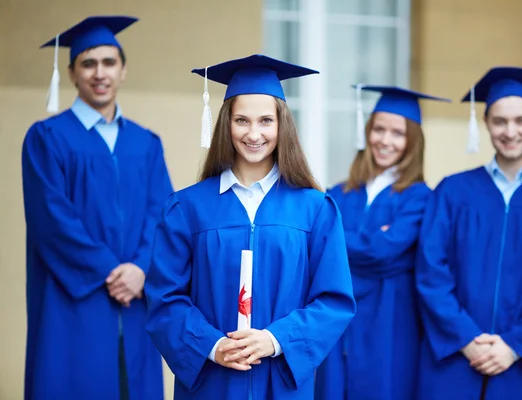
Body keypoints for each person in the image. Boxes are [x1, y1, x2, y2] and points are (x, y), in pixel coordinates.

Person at [144, 54, 356, 400]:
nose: (253, 134)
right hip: (213, 381)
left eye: (265, 121)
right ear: (226, 124)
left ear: (281, 125)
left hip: (282, 381)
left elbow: (333, 301)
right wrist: (212, 346)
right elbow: (164, 299)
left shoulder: (315, 209)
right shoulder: (187, 208)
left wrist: (274, 340)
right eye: (242, 120)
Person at [21, 15, 172, 400]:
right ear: (71, 72)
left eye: (108, 62)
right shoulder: (48, 138)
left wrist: (141, 268)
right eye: (88, 63)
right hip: (73, 297)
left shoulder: (146, 143)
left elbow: (163, 215)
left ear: (123, 70)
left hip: (137, 298)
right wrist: (111, 271)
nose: (99, 73)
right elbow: (51, 220)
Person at [415, 66, 522, 400]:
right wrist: (465, 338)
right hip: (455, 359)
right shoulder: (452, 192)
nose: (510, 131)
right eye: (500, 121)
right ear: (486, 123)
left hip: (519, 365)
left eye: (520, 120)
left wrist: (514, 346)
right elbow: (431, 271)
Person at [315, 85, 448, 400]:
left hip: (391, 317)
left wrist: (337, 242)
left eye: (398, 133)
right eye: (379, 129)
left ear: (412, 141)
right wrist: (374, 243)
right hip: (337, 316)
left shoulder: (420, 198)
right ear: (367, 132)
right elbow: (318, 246)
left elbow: (381, 250)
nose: (385, 141)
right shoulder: (338, 193)